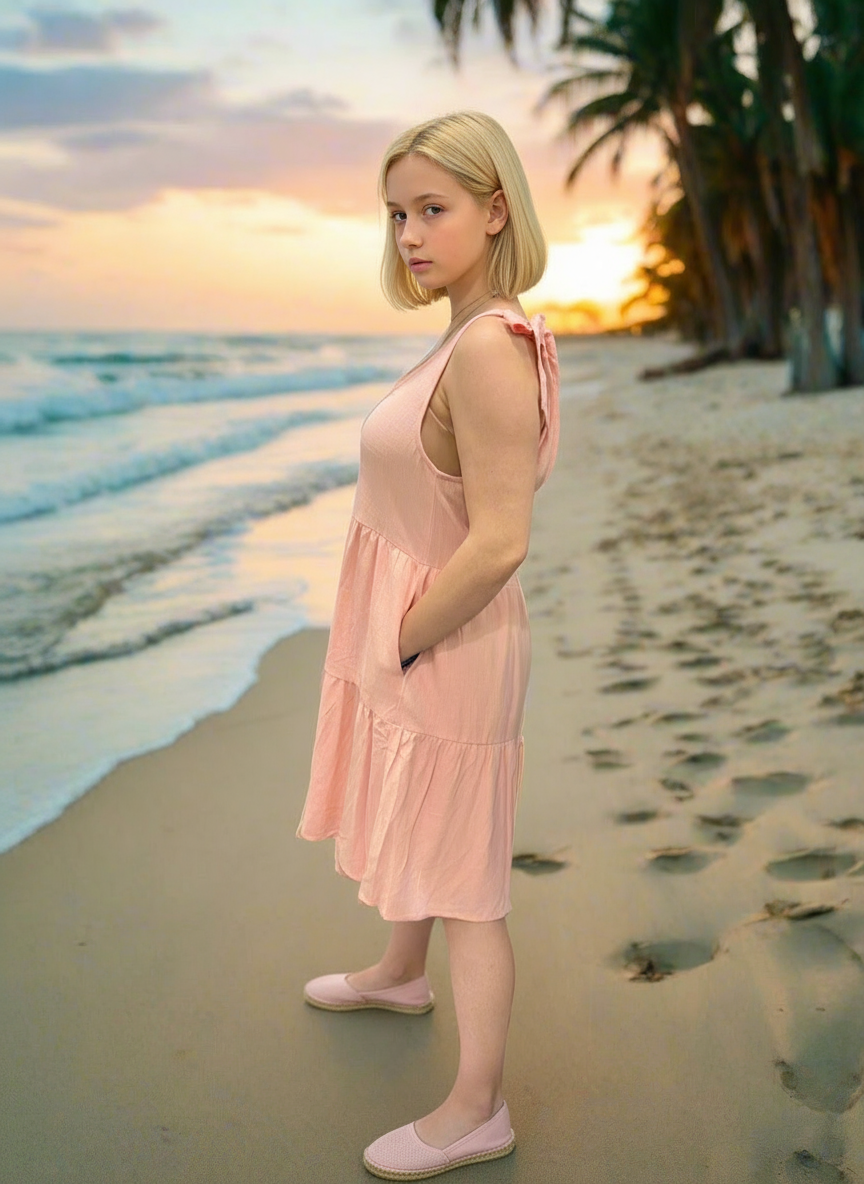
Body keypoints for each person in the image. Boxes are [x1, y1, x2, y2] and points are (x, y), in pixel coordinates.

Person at [295, 109, 560, 1180]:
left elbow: (499, 542)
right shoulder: (462, 332)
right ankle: (402, 972)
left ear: (496, 210)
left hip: (448, 638)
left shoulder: (491, 348)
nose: (408, 231)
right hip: (424, 635)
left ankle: (477, 1104)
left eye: (433, 208)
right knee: (417, 818)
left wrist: (396, 641)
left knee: (469, 885)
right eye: (398, 211)